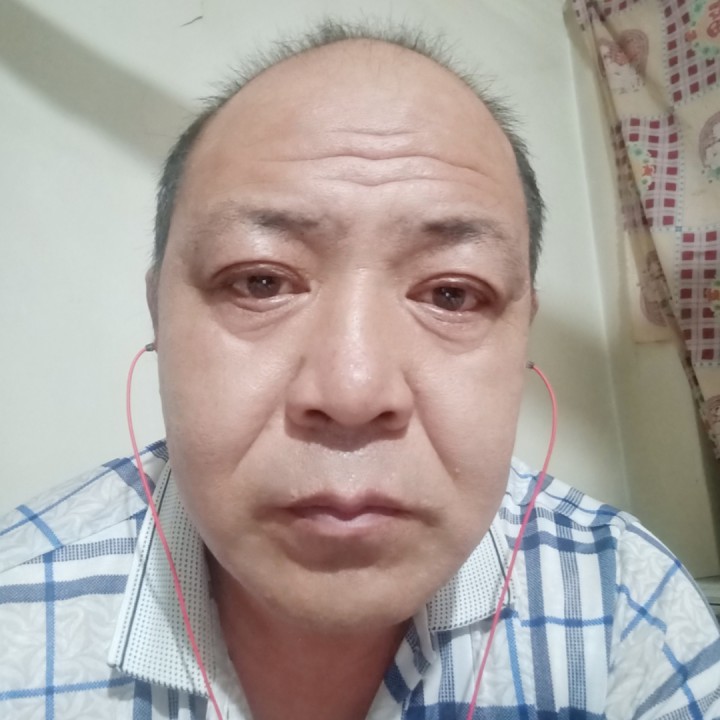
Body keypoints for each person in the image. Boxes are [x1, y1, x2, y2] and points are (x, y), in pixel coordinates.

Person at [1, 20, 719, 720]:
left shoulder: (628, 608)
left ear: (521, 331)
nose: (352, 391)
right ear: (158, 313)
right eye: (260, 281)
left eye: (451, 294)